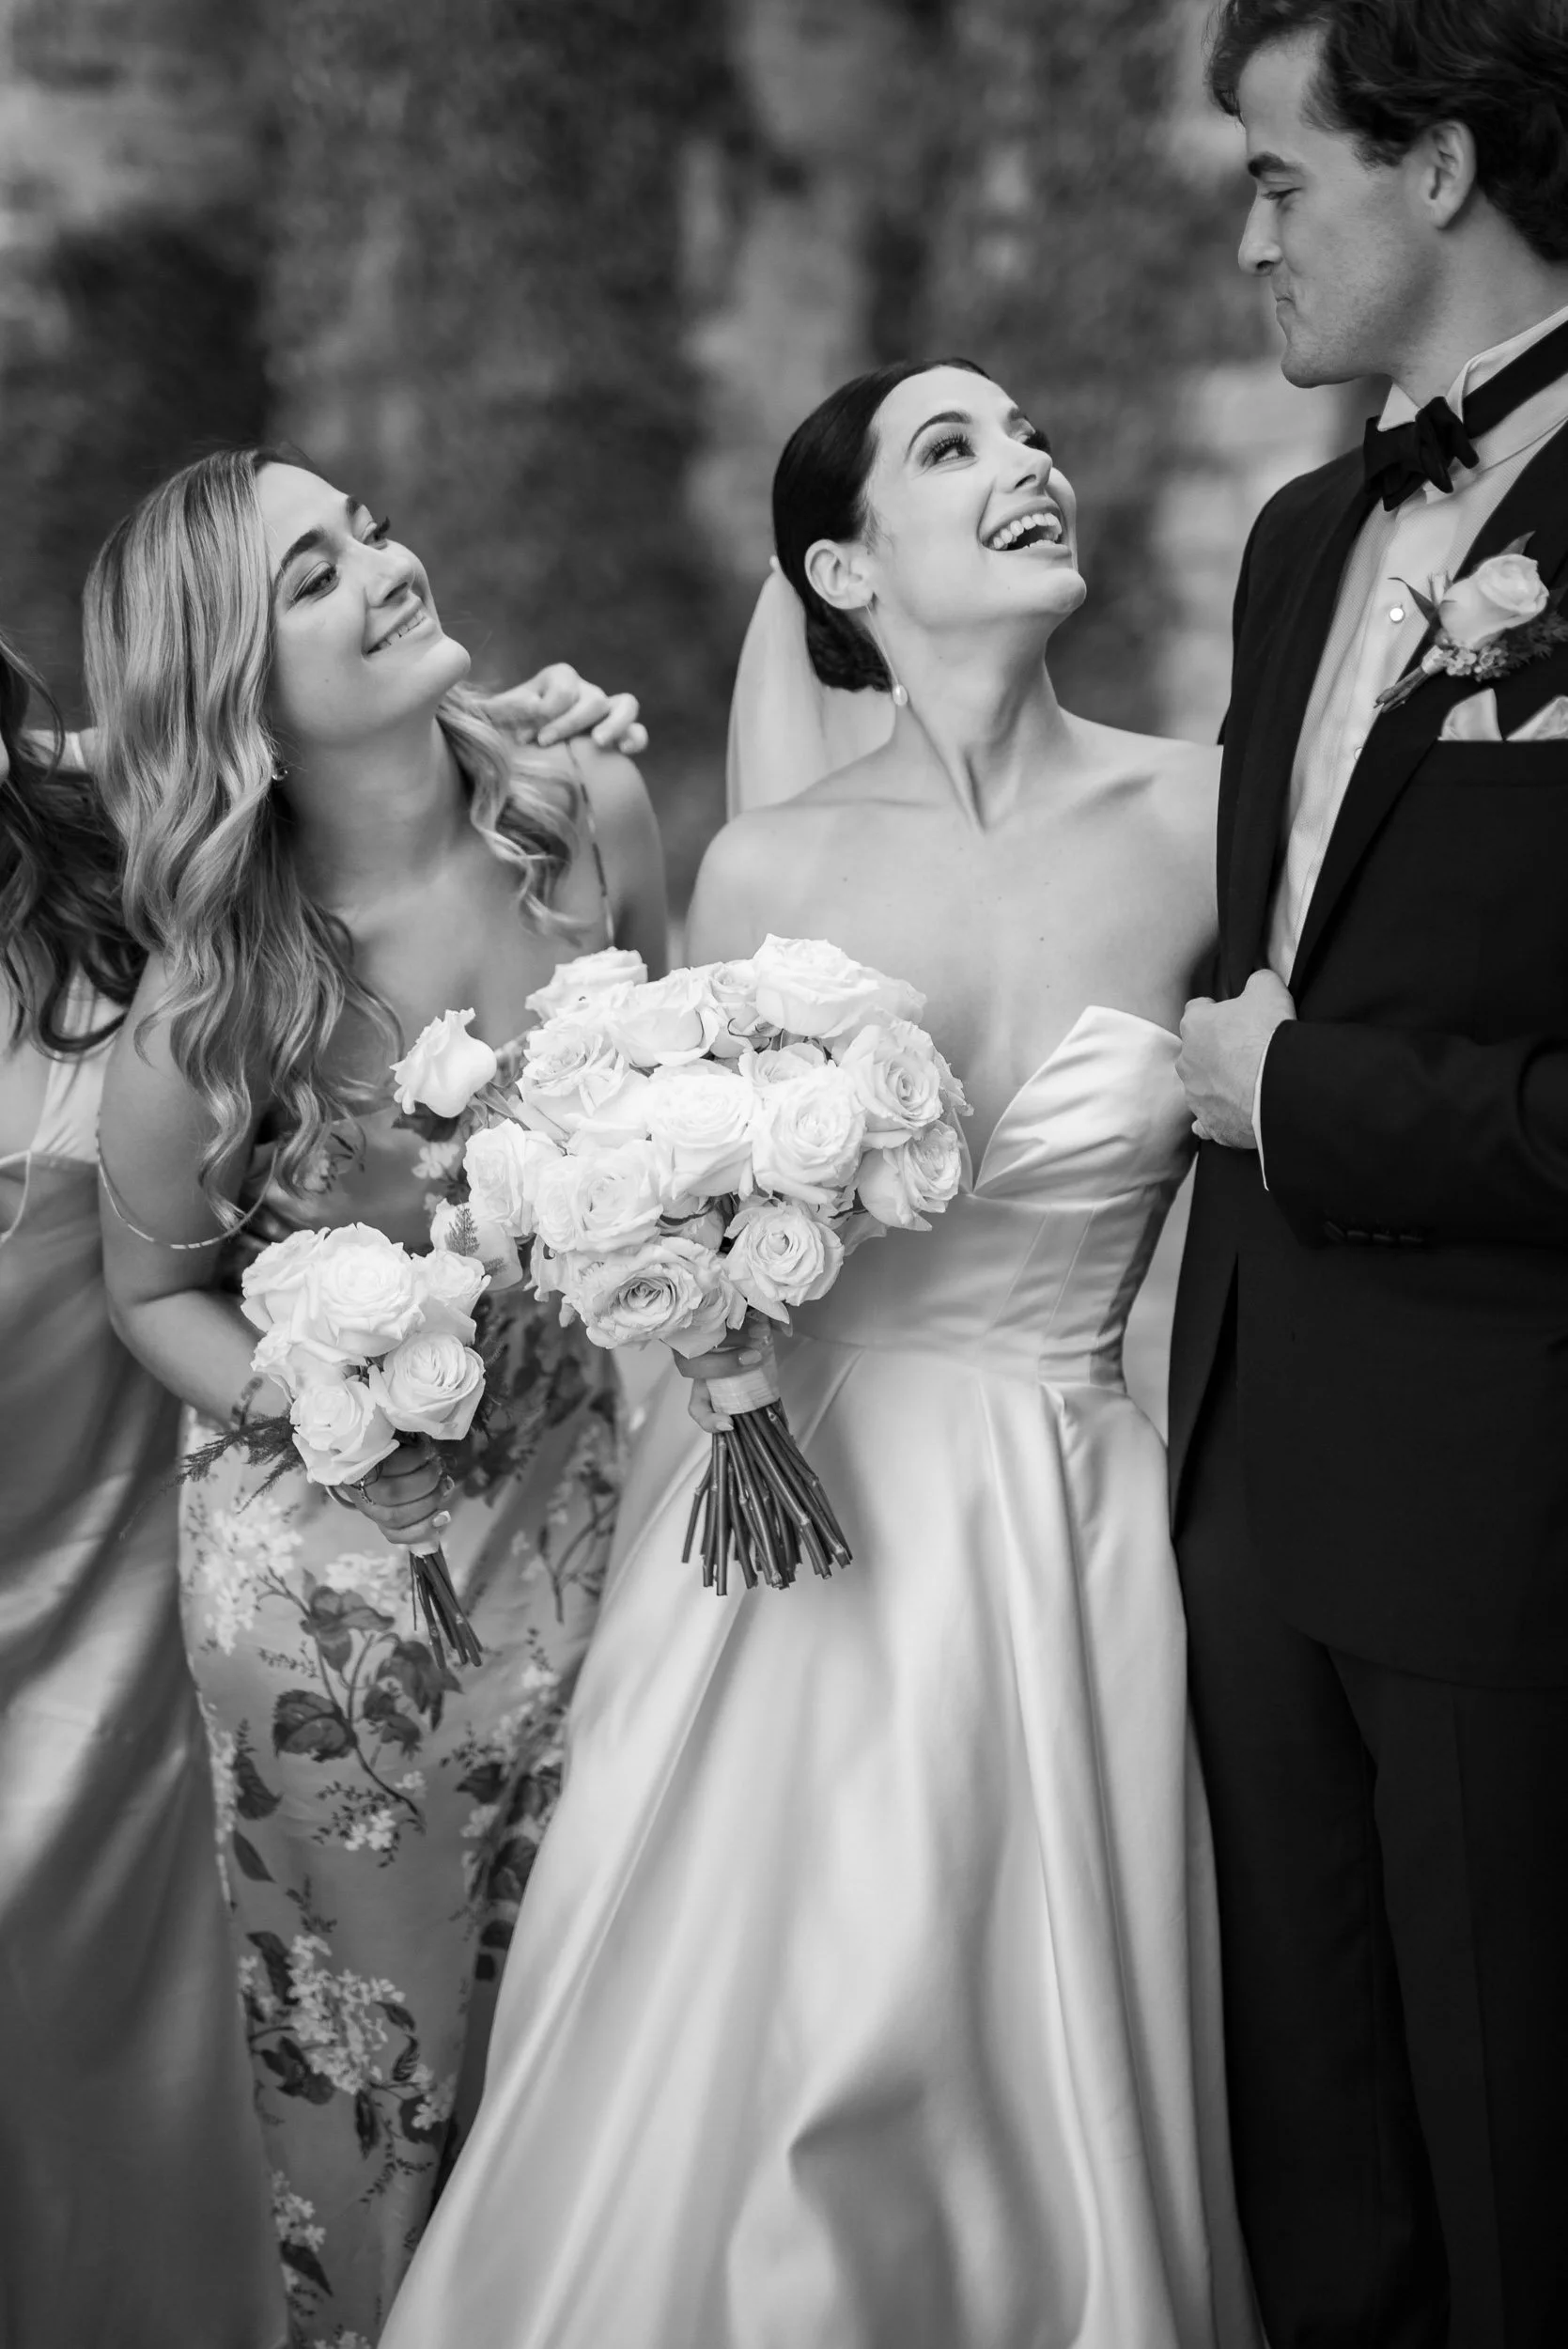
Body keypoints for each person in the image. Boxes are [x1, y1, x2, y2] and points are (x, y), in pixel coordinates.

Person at [382, 360, 1259, 2349]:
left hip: (1069, 1514)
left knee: (1019, 2027)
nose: (1027, 460)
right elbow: (668, 1210)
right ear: (848, 564)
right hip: (778, 1531)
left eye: (1029, 431)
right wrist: (697, 1313)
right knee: (750, 2034)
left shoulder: (1211, 816)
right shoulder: (768, 865)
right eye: (952, 448)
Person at [89, 448, 666, 2348]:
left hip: (596, 1524)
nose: (386, 570)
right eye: (315, 574)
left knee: (606, 2030)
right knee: (384, 2086)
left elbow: (655, 1110)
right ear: (240, 689)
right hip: (337, 1616)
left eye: (374, 531)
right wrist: (312, 1378)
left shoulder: (585, 817)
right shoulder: (211, 1003)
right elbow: (147, 1288)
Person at [1171, 4, 1568, 2342]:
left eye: (1278, 176)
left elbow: (1299, 1045)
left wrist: (1300, 1094)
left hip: (1507, 1511)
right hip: (1248, 1484)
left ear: (1435, 168)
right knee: (1320, 2197)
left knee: (1520, 2181)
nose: (1247, 241)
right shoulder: (1304, 533)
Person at [0, 633, 287, 2349]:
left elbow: (300, 723)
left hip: (116, 1610)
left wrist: (528, 727)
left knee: (116, 2074)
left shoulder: (104, 829)